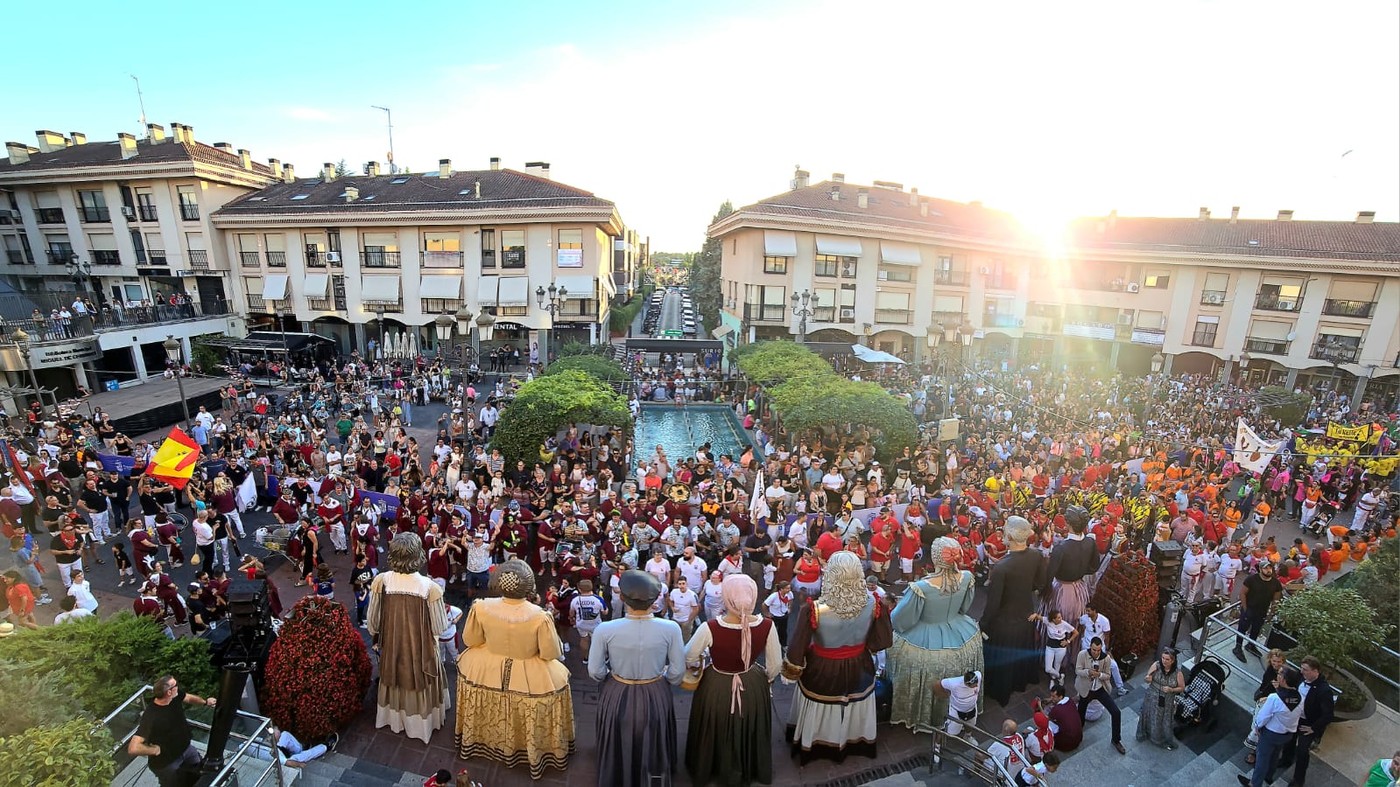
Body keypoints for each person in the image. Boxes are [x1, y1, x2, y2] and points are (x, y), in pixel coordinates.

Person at [455, 559, 575, 779]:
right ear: (529, 587)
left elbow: (470, 639)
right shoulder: (540, 616)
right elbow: (550, 653)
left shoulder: (481, 607)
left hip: (485, 667)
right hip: (529, 673)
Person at [781, 551, 894, 763]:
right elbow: (882, 641)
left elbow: (797, 647)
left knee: (822, 704)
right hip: (860, 666)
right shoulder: (873, 604)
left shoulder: (814, 609)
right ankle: (855, 740)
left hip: (822, 669)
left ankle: (816, 744)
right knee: (856, 702)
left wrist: (793, 668)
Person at [588, 569, 686, 787]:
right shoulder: (671, 629)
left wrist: (610, 678)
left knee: (616, 734)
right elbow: (678, 672)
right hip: (654, 689)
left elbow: (595, 671)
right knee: (655, 736)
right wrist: (663, 679)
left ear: (622, 597)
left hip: (618, 689)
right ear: (655, 600)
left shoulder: (605, 629)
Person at [684, 573, 782, 787]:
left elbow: (689, 655)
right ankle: (748, 766)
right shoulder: (767, 626)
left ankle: (712, 766)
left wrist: (702, 663)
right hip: (752, 682)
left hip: (717, 683)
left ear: (727, 598)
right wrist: (765, 680)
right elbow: (775, 666)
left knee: (714, 725)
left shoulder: (709, 627)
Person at [887, 536, 984, 732]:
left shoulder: (921, 587)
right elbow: (964, 607)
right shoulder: (966, 577)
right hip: (961, 632)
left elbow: (900, 619)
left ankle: (920, 716)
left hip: (923, 636)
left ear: (935, 558)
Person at [367, 532, 450, 744]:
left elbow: (373, 622)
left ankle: (393, 719)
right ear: (418, 556)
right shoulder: (431, 588)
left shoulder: (381, 581)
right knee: (420, 680)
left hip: (392, 644)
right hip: (420, 647)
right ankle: (420, 725)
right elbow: (439, 627)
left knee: (393, 676)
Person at [980, 516, 1046, 706]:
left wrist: (983, 625)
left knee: (1003, 660)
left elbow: (993, 605)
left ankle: (1001, 690)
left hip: (1004, 623)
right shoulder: (1036, 555)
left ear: (1009, 535)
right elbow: (1040, 583)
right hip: (1025, 614)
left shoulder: (1001, 568)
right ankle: (1021, 681)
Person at [127, 675, 217, 787]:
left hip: (186, 749)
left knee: (200, 773)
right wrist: (154, 750)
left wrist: (205, 702)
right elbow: (133, 747)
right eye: (175, 685)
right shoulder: (151, 716)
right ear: (169, 692)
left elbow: (188, 698)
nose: (178, 687)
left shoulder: (175, 696)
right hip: (167, 763)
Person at [1239, 667, 1303, 787]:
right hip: (1287, 734)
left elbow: (1262, 717)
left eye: (1279, 674)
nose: (1277, 675)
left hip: (1271, 734)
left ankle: (1254, 783)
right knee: (1275, 755)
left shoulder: (1275, 698)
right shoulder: (1300, 698)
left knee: (1262, 759)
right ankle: (1268, 777)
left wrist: (1257, 727)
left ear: (1283, 680)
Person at [1277, 655, 1334, 786]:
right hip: (1295, 717)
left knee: (1302, 751)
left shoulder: (1324, 691)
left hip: (1308, 723)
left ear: (1315, 671)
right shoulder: (1301, 677)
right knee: (1289, 740)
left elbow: (1328, 714)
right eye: (1301, 668)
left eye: (1305, 669)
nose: (1301, 671)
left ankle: (1298, 780)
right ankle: (1286, 759)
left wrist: (1313, 728)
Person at [1043, 505, 1098, 625]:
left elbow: (1049, 575)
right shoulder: (1091, 542)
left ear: (1067, 524)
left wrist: (1044, 593)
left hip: (1061, 592)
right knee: (1076, 622)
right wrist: (1080, 571)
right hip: (1080, 589)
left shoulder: (1061, 548)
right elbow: (1094, 567)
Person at [1075, 637, 1126, 755]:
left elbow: (1108, 675)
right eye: (1094, 650)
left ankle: (1116, 740)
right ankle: (1078, 735)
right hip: (1086, 689)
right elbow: (1077, 671)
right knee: (1080, 714)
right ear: (1090, 647)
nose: (1096, 653)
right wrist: (1088, 672)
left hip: (1099, 689)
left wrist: (1099, 675)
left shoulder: (1106, 659)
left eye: (1098, 650)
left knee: (1116, 712)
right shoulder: (1082, 655)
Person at [1136, 647, 1187, 750]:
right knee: (1148, 714)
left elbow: (1182, 688)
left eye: (1167, 659)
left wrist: (1171, 690)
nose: (1164, 661)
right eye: (1163, 658)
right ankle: (1145, 733)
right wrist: (1148, 678)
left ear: (1172, 660)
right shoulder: (1156, 665)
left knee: (1163, 719)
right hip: (1152, 696)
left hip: (1166, 699)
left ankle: (1159, 739)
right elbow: (1147, 678)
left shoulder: (1178, 673)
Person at [1234, 561, 1283, 662]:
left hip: (1262, 610)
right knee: (1242, 628)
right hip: (1249, 608)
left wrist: (1271, 613)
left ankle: (1251, 645)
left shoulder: (1276, 583)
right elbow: (1243, 593)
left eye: (1270, 568)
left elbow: (1276, 599)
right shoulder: (1251, 579)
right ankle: (1238, 647)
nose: (1268, 570)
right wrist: (1245, 609)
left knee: (1256, 629)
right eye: (1265, 568)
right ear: (1260, 569)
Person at [934, 669, 983, 736]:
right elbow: (937, 685)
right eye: (974, 685)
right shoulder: (954, 683)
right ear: (966, 684)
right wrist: (945, 695)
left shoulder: (978, 675)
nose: (977, 686)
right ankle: (938, 742)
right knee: (952, 732)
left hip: (972, 708)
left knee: (971, 725)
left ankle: (967, 736)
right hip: (956, 711)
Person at [1041, 683, 1083, 752]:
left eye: (1053, 696)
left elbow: (1046, 718)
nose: (1051, 698)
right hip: (1078, 737)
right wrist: (1051, 700)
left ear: (1060, 697)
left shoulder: (1057, 709)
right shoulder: (1070, 701)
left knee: (1046, 724)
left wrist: (1040, 706)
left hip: (1066, 743)